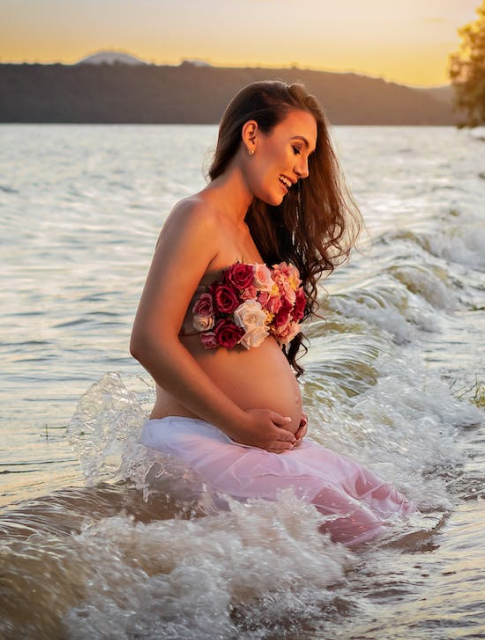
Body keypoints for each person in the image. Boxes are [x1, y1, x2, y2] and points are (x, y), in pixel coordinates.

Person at [129, 81, 413, 545]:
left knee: (396, 508)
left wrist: (281, 413)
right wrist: (238, 422)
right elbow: (148, 341)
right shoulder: (196, 217)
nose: (303, 170)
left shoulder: (248, 232)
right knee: (368, 533)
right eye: (297, 150)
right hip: (198, 440)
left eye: (309, 157)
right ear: (253, 135)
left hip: (245, 442)